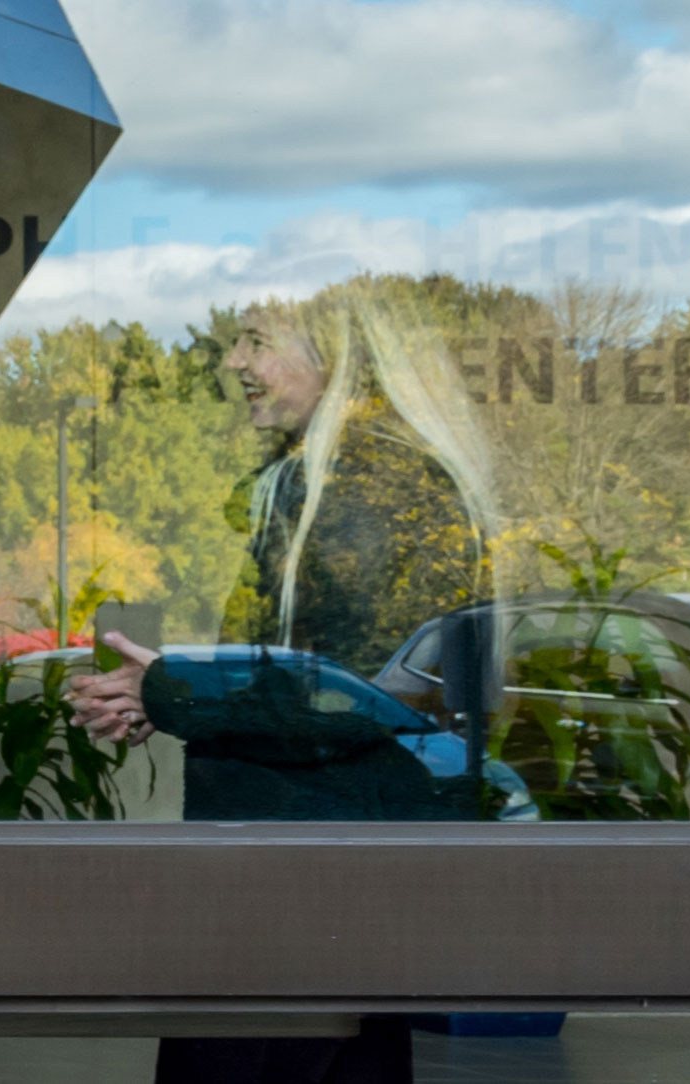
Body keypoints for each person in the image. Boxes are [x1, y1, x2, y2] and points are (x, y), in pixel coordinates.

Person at [64, 298, 494, 1084]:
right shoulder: (345, 475)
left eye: (257, 341)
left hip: (300, 876)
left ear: (334, 354)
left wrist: (169, 691)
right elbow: (319, 676)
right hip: (332, 868)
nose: (235, 363)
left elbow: (350, 694)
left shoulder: (364, 484)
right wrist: (161, 692)